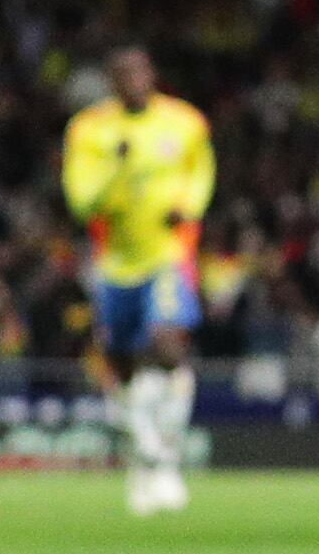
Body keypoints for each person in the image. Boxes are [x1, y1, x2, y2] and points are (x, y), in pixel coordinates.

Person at [64, 44, 213, 518]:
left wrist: (188, 207)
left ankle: (163, 459)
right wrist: (117, 167)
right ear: (110, 81)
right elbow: (83, 202)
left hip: (167, 255)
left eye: (140, 71)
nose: (133, 80)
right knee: (123, 366)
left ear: (152, 74)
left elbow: (201, 171)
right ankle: (142, 460)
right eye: (122, 74)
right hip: (114, 264)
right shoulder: (90, 130)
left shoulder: (184, 121)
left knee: (169, 346)